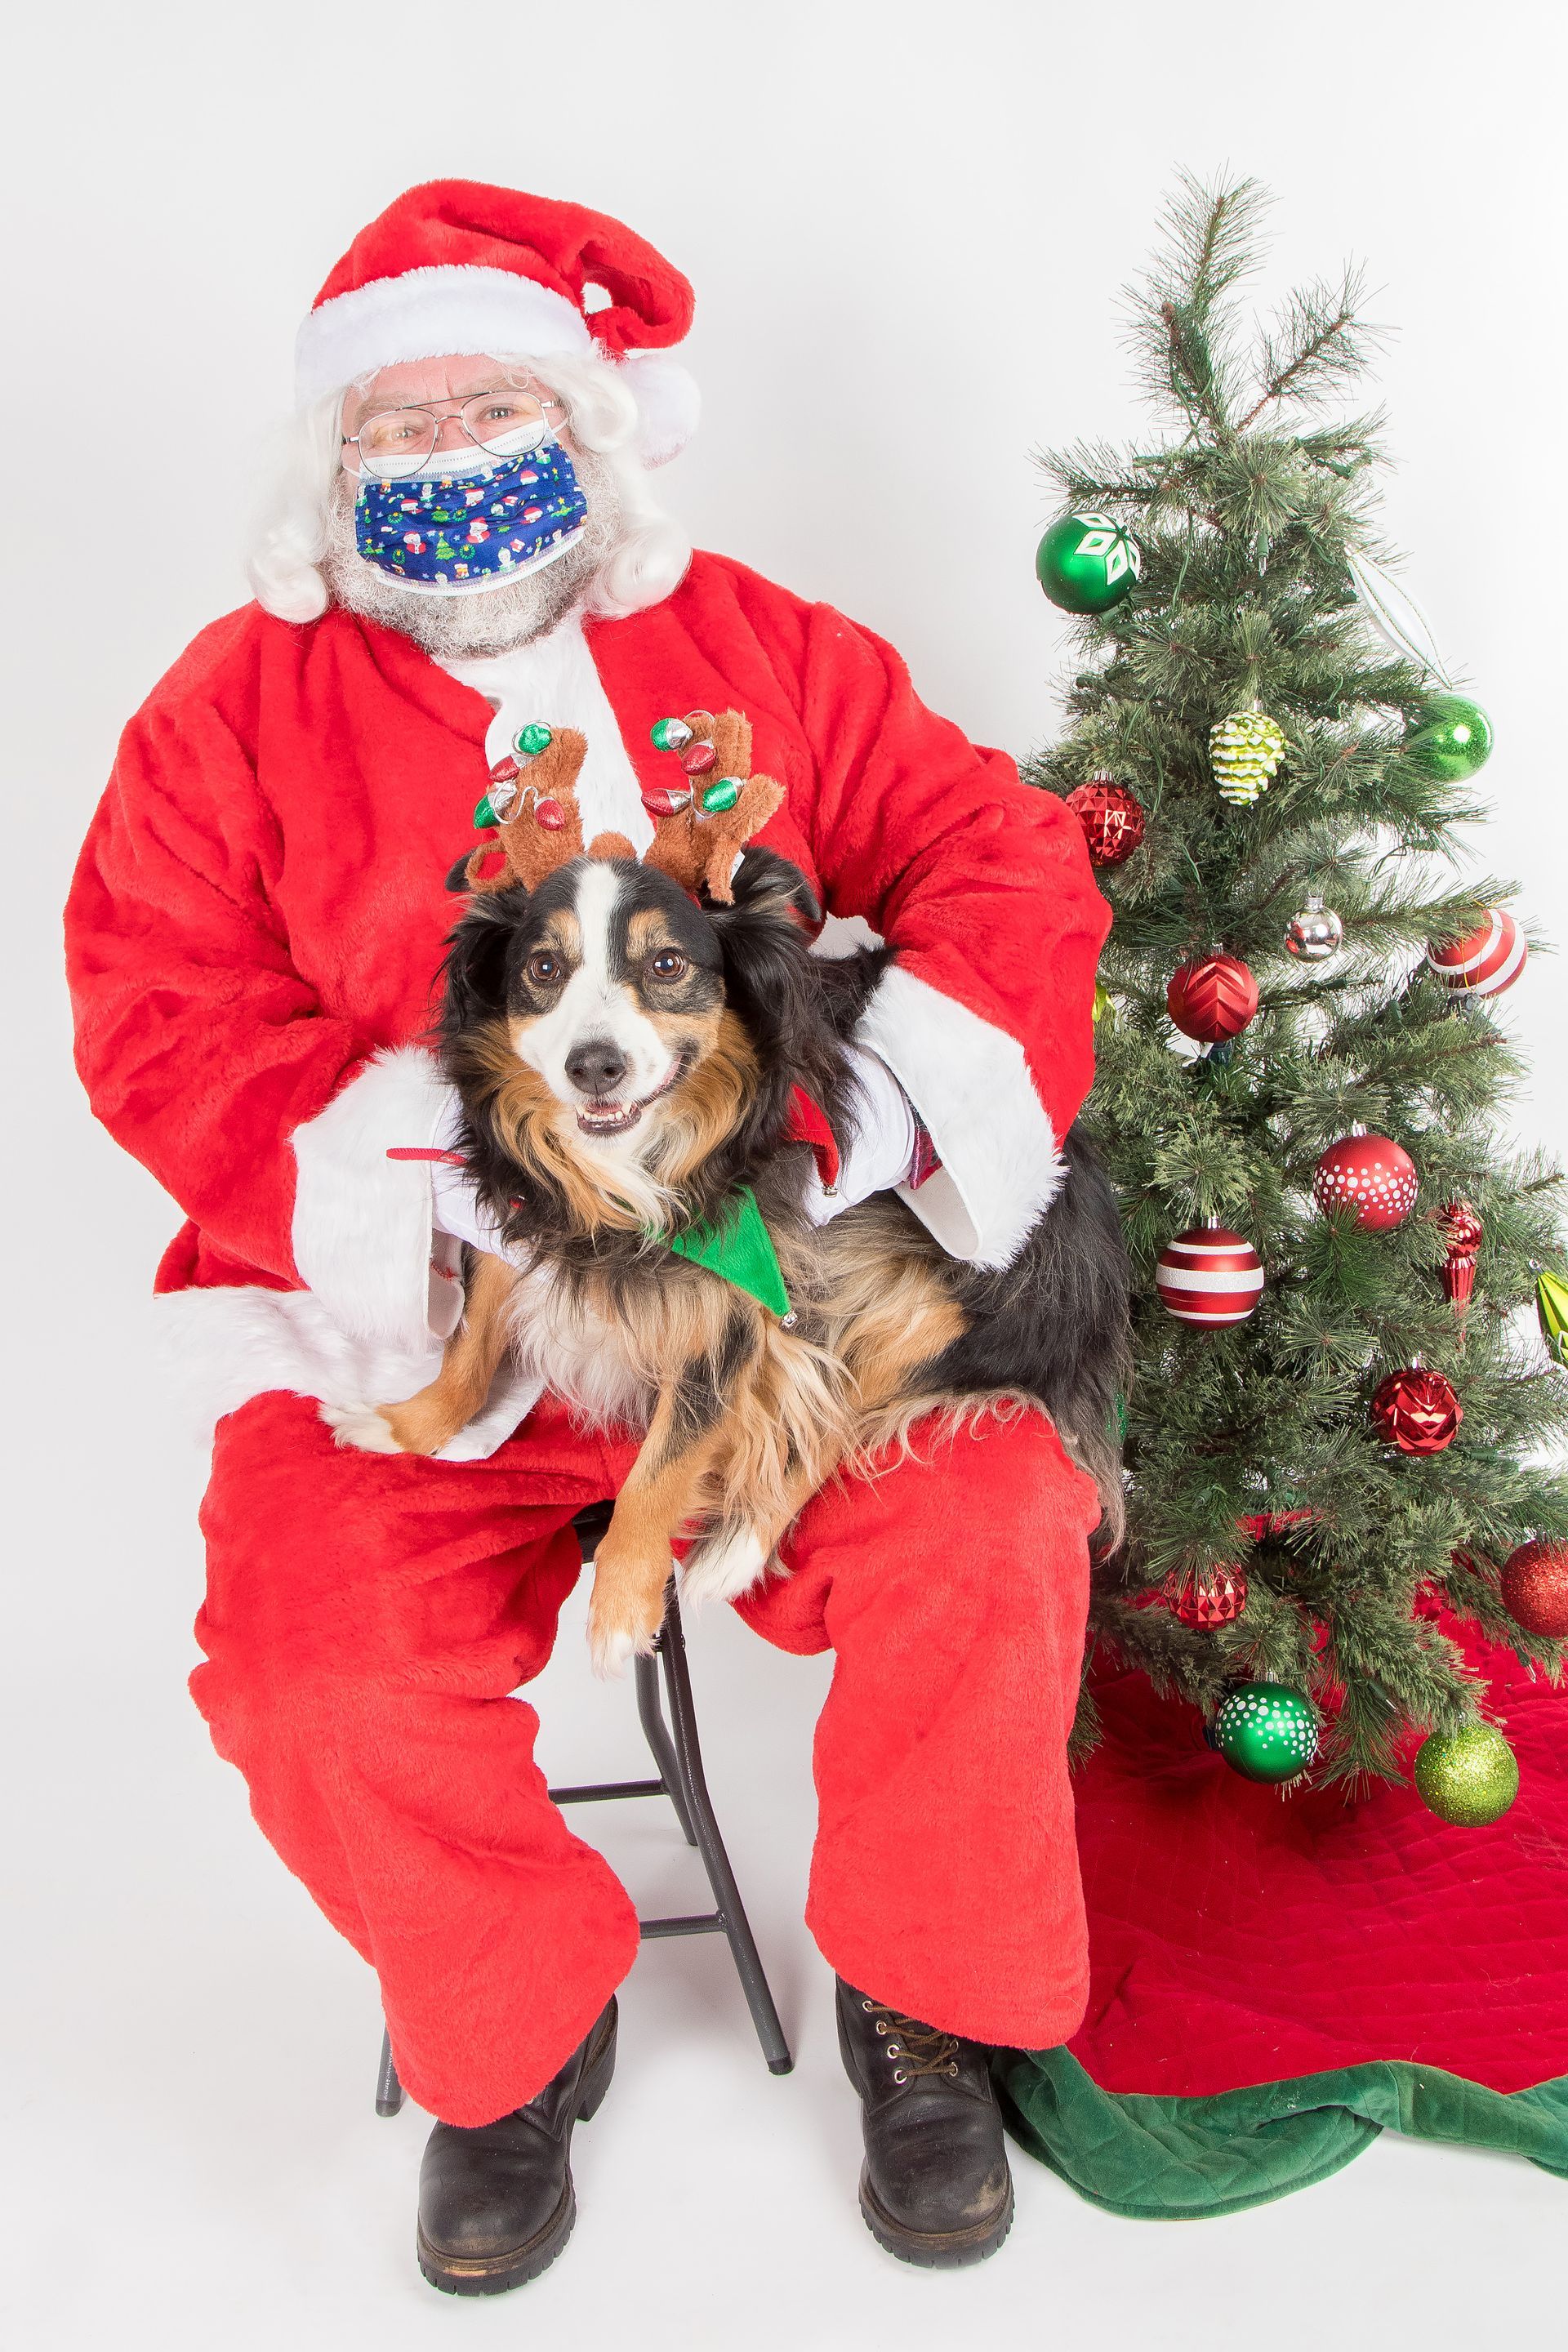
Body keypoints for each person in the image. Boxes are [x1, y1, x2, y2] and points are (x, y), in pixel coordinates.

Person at [65, 180, 1110, 2291]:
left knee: (990, 1526)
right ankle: (510, 2028)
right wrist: (416, 1153)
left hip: (771, 1325)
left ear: (593, 425)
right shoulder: (225, 714)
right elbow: (149, 1000)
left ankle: (929, 2002)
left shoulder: (764, 648)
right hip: (423, 1333)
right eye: (398, 422)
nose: (446, 453)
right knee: (302, 1661)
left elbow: (993, 846)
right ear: (331, 463)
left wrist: (883, 1103)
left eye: (490, 404)